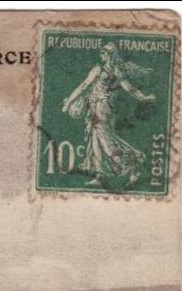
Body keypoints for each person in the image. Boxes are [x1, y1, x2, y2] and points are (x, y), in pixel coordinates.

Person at [61, 43, 156, 187]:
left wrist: (68, 103)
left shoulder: (98, 69)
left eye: (103, 52)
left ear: (109, 54)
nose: (101, 55)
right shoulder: (117, 70)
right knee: (96, 140)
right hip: (105, 109)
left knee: (105, 141)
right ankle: (100, 175)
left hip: (99, 108)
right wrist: (143, 97)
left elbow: (83, 86)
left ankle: (133, 162)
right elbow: (129, 88)